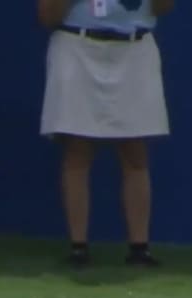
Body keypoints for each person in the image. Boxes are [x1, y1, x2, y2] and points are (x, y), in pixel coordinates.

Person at [37, 0, 175, 268]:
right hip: (77, 45)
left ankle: (139, 248)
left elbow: (163, 7)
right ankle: (78, 248)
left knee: (135, 153)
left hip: (134, 48)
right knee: (77, 151)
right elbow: (46, 15)